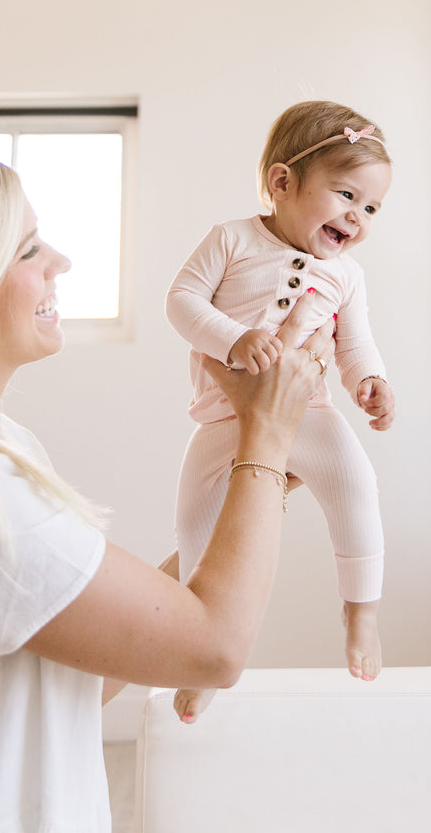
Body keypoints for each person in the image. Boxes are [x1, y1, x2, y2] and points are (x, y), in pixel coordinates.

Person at [0, 149, 332, 833]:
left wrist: (258, 484)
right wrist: (266, 435)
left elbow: (80, 668)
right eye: (28, 250)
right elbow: (211, 647)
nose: (60, 263)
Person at [166, 99, 396, 723]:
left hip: (308, 413)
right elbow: (181, 301)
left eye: (371, 207)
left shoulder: (346, 276)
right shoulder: (232, 240)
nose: (358, 216)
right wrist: (233, 339)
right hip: (222, 419)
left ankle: (361, 614)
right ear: (282, 182)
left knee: (356, 486)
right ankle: (198, 658)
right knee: (199, 529)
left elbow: (355, 341)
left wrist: (369, 379)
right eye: (346, 194)